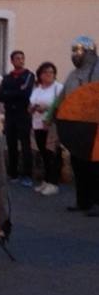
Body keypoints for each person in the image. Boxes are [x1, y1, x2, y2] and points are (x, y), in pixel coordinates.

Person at [56, 35, 99, 215]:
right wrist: (51, 116)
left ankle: (97, 203)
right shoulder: (73, 75)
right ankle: (82, 201)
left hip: (95, 127)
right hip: (77, 126)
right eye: (73, 51)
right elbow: (62, 98)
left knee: (95, 167)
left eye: (78, 51)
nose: (74, 55)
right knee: (78, 164)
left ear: (89, 53)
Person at [0, 50, 35, 186]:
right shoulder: (7, 77)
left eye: (22, 58)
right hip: (10, 115)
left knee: (25, 145)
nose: (20, 60)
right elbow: (0, 96)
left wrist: (10, 93)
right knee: (11, 144)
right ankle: (13, 173)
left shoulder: (29, 75)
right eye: (17, 58)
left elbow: (26, 94)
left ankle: (27, 175)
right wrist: (17, 91)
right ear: (12, 61)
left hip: (23, 114)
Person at [29, 62, 63, 196]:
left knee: (51, 154)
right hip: (38, 124)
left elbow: (61, 105)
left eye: (51, 72)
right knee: (43, 153)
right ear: (40, 75)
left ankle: (53, 183)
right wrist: (32, 108)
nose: (49, 74)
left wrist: (46, 108)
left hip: (51, 125)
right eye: (45, 72)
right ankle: (46, 180)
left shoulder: (58, 88)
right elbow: (30, 105)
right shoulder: (37, 89)